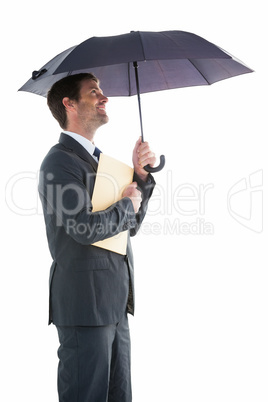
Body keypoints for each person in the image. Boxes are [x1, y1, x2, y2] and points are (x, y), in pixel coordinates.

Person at [38, 73, 156, 402]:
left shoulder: (102, 163)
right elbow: (83, 227)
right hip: (84, 307)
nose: (104, 97)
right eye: (94, 92)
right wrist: (125, 203)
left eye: (102, 90)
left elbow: (128, 225)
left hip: (114, 303)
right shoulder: (58, 163)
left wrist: (141, 178)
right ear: (69, 104)